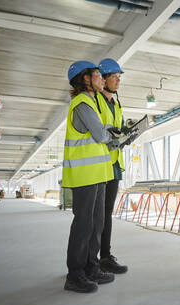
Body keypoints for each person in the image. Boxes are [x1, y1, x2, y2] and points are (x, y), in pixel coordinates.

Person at [62, 60, 120, 293]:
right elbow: (98, 134)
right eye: (97, 74)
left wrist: (111, 135)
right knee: (84, 225)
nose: (101, 78)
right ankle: (75, 274)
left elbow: (101, 134)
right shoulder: (82, 102)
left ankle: (91, 267)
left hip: (96, 174)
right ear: (85, 79)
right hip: (84, 175)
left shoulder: (92, 103)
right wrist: (113, 136)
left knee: (96, 223)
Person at [96, 58, 135, 274]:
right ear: (103, 79)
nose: (118, 80)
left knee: (107, 214)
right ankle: (94, 259)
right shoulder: (97, 102)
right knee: (98, 215)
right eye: (114, 76)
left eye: (119, 77)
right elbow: (101, 131)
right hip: (101, 164)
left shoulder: (116, 103)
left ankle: (105, 256)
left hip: (115, 164)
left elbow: (117, 130)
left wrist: (128, 135)